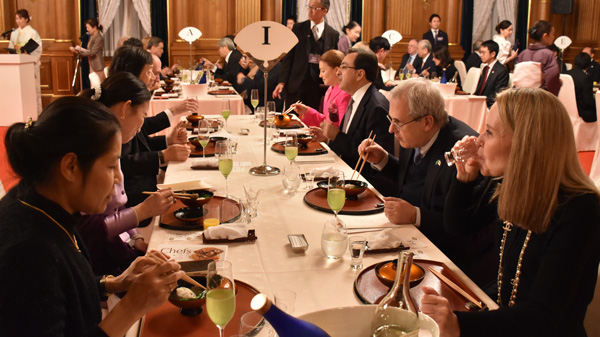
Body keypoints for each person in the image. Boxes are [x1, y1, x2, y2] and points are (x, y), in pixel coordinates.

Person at [421, 88, 600, 337]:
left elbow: (543, 317)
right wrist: (464, 179)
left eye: (490, 132)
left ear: (527, 142)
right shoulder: (509, 184)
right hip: (506, 320)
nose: (479, 140)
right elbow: (459, 227)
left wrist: (460, 324)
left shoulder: (579, 209)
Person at [0, 96, 184, 336]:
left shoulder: (41, 199)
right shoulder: (28, 252)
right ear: (70, 167)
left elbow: (62, 289)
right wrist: (131, 307)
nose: (118, 179)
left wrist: (114, 282)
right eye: (110, 166)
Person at [357, 79, 492, 285]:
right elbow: (412, 181)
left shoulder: (461, 152)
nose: (392, 130)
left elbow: (463, 226)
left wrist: (416, 215)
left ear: (427, 122)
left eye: (398, 122)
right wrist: (383, 160)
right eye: (390, 119)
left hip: (436, 258)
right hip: (404, 236)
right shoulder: (413, 132)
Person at [78, 72, 176, 276]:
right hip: (101, 262)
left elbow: (117, 208)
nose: (117, 176)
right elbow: (89, 229)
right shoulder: (94, 149)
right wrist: (141, 212)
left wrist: (136, 238)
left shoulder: (111, 142)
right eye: (143, 114)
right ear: (125, 108)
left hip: (120, 244)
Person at [110, 46, 195, 223]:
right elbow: (124, 161)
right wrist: (162, 156)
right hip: (134, 199)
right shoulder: (117, 113)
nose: (154, 78)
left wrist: (167, 140)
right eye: (149, 72)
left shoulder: (126, 103)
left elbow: (140, 138)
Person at [310, 48, 394, 195]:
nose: (338, 72)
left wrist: (336, 136)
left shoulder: (376, 107)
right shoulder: (356, 98)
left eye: (344, 67)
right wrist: (328, 139)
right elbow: (352, 143)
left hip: (362, 188)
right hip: (346, 174)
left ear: (360, 74)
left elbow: (372, 159)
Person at [273, 0, 339, 110]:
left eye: (314, 8)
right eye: (309, 7)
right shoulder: (298, 28)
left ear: (324, 11)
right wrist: (281, 82)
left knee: (311, 120)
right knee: (290, 118)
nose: (310, 11)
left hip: (318, 86)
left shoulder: (332, 34)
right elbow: (289, 57)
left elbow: (333, 62)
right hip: (296, 84)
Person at [291, 49, 351, 127]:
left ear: (337, 70)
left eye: (323, 71)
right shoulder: (329, 90)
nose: (320, 75)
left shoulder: (346, 93)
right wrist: (306, 111)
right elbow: (326, 120)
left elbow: (343, 128)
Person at [8, 9, 42, 114]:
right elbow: (11, 47)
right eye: (17, 18)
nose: (18, 21)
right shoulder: (14, 33)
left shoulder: (32, 33)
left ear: (26, 19)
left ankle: (35, 113)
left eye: (21, 18)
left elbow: (38, 49)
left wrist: (27, 53)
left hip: (28, 63)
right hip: (17, 64)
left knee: (32, 90)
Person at [516, 20, 561, 96]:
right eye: (552, 34)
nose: (553, 37)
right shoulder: (548, 54)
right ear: (545, 36)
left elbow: (517, 77)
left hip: (521, 95)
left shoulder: (523, 54)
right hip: (540, 97)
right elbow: (552, 79)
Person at [475, 40, 510, 108]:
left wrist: (481, 102)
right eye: (480, 52)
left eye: (483, 53)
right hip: (479, 103)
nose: (481, 55)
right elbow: (479, 90)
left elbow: (498, 94)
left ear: (493, 54)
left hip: (489, 105)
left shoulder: (501, 70)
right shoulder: (485, 68)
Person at [70, 18, 106, 82]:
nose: (87, 30)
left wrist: (79, 52)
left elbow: (92, 52)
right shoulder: (92, 36)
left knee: (98, 84)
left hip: (97, 65)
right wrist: (79, 50)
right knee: (93, 84)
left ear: (94, 27)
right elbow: (89, 50)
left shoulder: (99, 38)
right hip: (91, 64)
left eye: (88, 28)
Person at [567, 52, 597, 122]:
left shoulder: (563, 74)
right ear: (588, 65)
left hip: (565, 109)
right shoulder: (585, 78)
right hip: (581, 112)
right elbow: (588, 101)